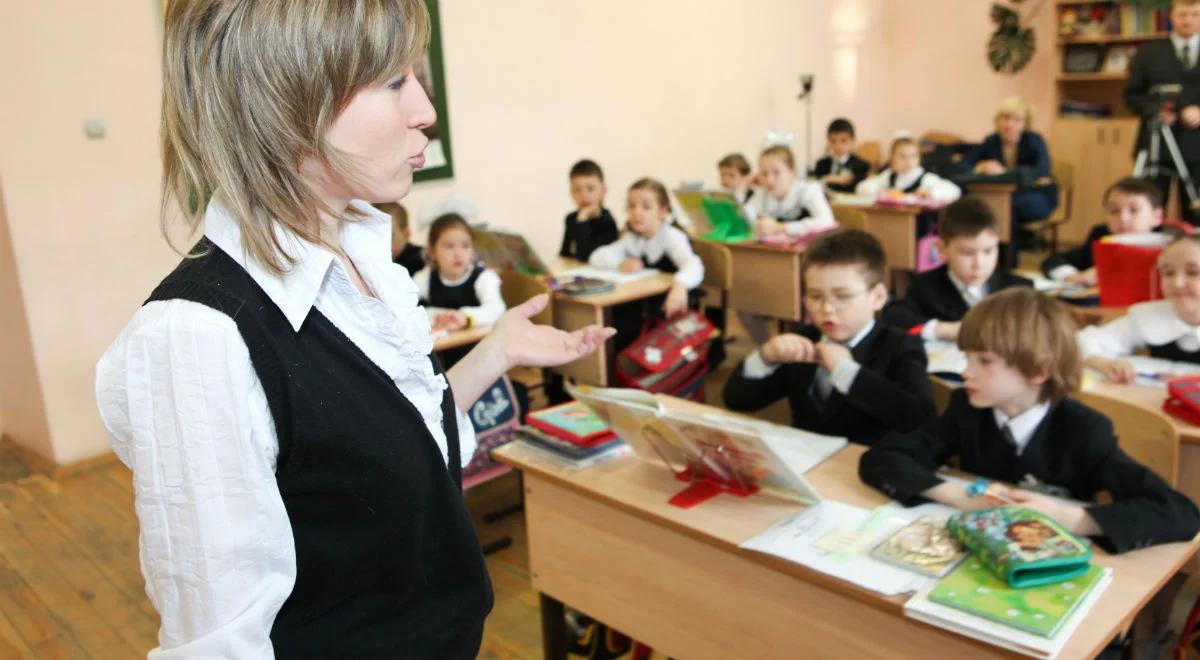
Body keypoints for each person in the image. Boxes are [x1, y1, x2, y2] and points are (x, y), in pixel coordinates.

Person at [94, 2, 612, 657]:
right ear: (285, 95)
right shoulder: (198, 339)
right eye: (394, 82)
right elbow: (221, 641)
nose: (424, 110)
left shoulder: (363, 259)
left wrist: (495, 352)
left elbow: (389, 450)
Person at [860, 287, 1200, 553]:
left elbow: (1179, 513)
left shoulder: (1083, 430)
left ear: (1038, 370)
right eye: (967, 358)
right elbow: (883, 458)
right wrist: (955, 495)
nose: (966, 372)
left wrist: (1073, 518)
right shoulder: (968, 408)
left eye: (985, 361)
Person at [722, 229, 934, 445]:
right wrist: (765, 358)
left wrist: (848, 373)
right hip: (805, 459)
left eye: (842, 296)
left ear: (878, 297)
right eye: (815, 296)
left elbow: (917, 419)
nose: (827, 308)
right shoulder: (803, 339)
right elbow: (737, 400)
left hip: (866, 467)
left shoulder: (900, 345)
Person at [882, 196, 1031, 341]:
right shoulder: (925, 287)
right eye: (967, 253)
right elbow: (894, 317)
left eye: (988, 251)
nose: (979, 264)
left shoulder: (1018, 289)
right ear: (941, 250)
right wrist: (944, 329)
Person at [589, 177, 704, 352]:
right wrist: (620, 263)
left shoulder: (671, 236)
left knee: (623, 324)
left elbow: (694, 265)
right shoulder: (633, 238)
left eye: (646, 207)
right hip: (644, 306)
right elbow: (597, 256)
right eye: (632, 206)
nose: (637, 212)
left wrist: (680, 285)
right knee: (613, 319)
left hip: (671, 309)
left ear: (663, 211)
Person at [1078, 234, 1200, 382]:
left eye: (1193, 273)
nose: (1177, 283)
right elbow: (1083, 341)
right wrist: (1104, 363)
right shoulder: (1154, 314)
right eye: (1168, 273)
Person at [1124, 0, 1200, 225]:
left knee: (1195, 213)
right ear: (1172, 16)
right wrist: (1155, 111)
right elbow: (1132, 96)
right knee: (1149, 208)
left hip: (1197, 146)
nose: (1188, 20)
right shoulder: (1148, 53)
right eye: (1183, 14)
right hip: (1157, 142)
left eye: (1195, 14)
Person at [960, 97, 1059, 247]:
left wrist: (1003, 172)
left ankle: (1007, 259)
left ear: (1025, 124)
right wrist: (980, 167)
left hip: (1039, 197)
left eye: (1016, 120)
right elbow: (964, 165)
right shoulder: (991, 141)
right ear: (998, 120)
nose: (1009, 124)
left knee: (1005, 207)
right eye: (1005, 118)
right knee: (989, 204)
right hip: (1005, 196)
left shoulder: (1035, 141)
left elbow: (1042, 171)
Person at [1041, 177, 1166, 284]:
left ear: (1156, 217)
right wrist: (1073, 276)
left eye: (1133, 210)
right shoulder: (1101, 237)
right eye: (1114, 211)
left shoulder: (1168, 245)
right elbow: (1054, 261)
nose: (1123, 218)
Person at [559, 158, 619, 261]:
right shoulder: (571, 219)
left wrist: (582, 219)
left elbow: (588, 255)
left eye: (590, 189)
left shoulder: (607, 221)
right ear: (571, 193)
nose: (584, 195)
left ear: (603, 190)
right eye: (577, 190)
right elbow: (565, 254)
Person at [810, 118, 871, 193]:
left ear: (853, 141)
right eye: (833, 141)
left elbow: (860, 187)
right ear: (828, 141)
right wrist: (829, 179)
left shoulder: (861, 165)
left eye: (843, 141)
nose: (838, 146)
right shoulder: (821, 164)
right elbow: (814, 183)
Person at [378, 200, 425, 275]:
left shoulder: (422, 261)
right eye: (374, 237)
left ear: (406, 235)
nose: (380, 243)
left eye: (389, 237)